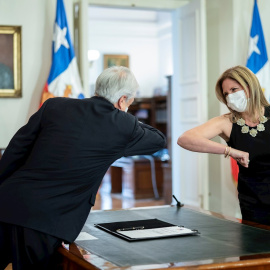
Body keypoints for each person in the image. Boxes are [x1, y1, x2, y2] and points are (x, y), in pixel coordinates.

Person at [0, 66, 166, 270]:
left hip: (6, 203)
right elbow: (159, 140)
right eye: (129, 102)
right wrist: (125, 115)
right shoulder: (123, 125)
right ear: (123, 100)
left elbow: (16, 150)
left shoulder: (54, 106)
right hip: (46, 221)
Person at [178, 65, 270, 226]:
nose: (230, 97)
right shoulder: (227, 122)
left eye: (234, 90)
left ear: (250, 87)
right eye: (226, 94)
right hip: (253, 202)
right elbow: (185, 139)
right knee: (257, 249)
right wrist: (230, 151)